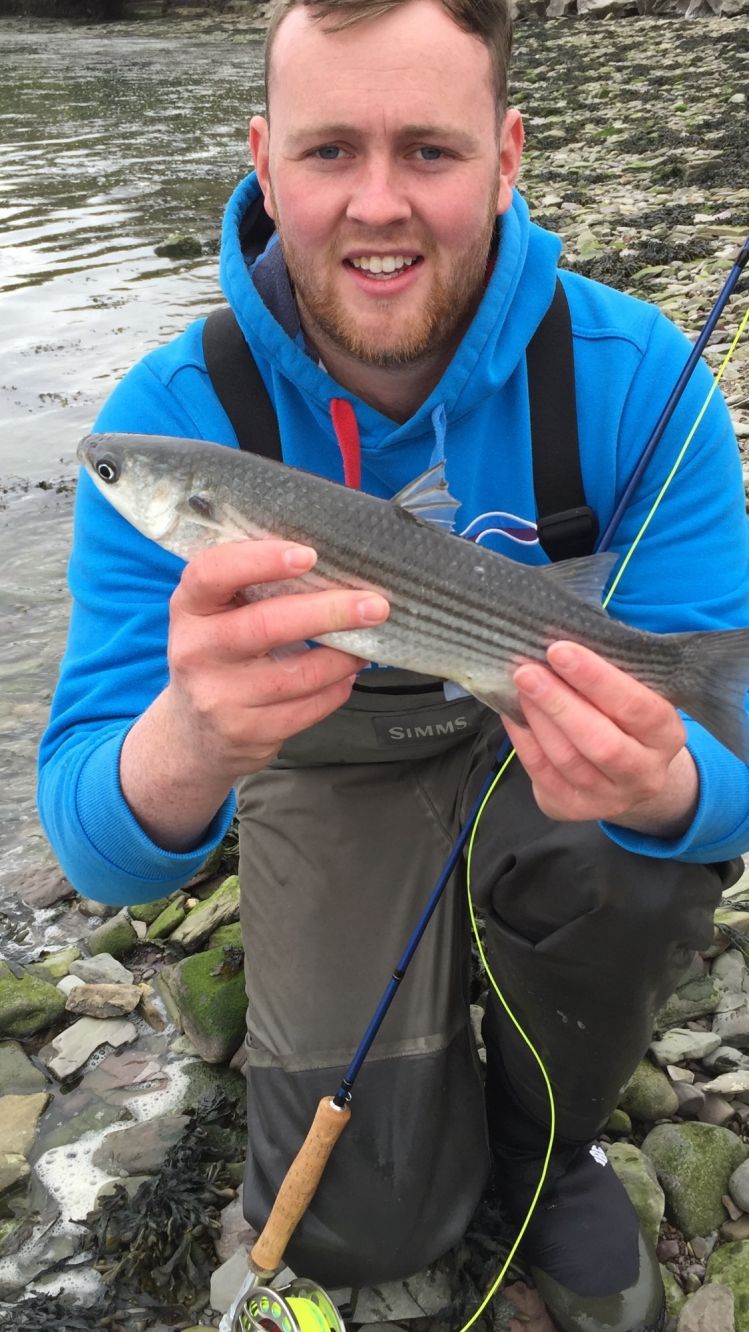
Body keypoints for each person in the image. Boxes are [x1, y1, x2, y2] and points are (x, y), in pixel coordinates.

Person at [38, 2, 749, 1329]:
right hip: (327, 770)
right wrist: (196, 733)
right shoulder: (171, 422)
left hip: (534, 752)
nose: (377, 205)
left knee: (629, 868)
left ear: (508, 153)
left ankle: (557, 1147)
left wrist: (665, 787)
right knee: (363, 1232)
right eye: (326, 153)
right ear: (261, 158)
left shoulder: (640, 379)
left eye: (428, 150)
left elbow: (736, 744)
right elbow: (97, 847)